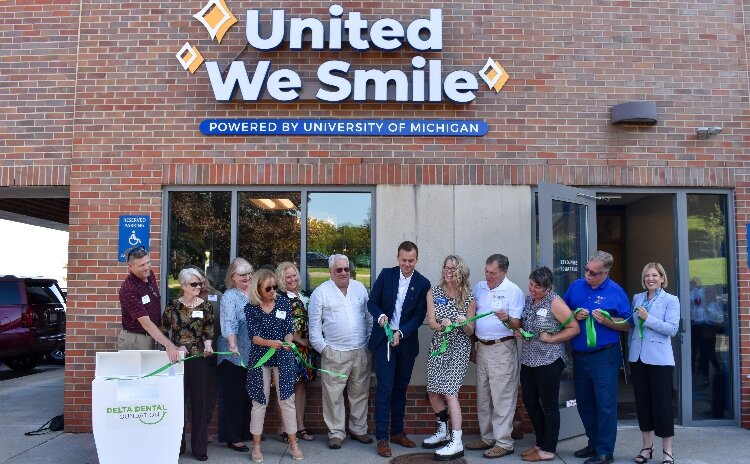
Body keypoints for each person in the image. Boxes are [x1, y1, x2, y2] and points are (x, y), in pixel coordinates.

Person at [564, 251, 630, 464]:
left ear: (605, 273)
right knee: (584, 403)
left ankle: (605, 451)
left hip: (605, 356)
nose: (588, 275)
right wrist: (573, 315)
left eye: (594, 273)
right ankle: (593, 443)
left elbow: (628, 324)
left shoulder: (615, 291)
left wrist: (608, 321)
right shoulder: (576, 287)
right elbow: (562, 313)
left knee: (605, 404)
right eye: (586, 270)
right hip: (580, 355)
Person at [368, 241, 431, 458]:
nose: (407, 264)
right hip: (384, 342)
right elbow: (372, 303)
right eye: (403, 260)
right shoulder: (387, 275)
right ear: (398, 258)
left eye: (411, 261)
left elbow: (419, 316)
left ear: (417, 259)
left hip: (405, 343)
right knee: (385, 389)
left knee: (400, 389)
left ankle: (397, 432)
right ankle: (382, 438)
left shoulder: (423, 283)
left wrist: (401, 332)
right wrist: (380, 316)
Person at [309, 254, 373, 450]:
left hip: (361, 350)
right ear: (331, 272)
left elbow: (369, 317)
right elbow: (314, 328)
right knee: (333, 395)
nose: (344, 273)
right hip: (334, 352)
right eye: (339, 270)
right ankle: (336, 433)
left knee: (360, 392)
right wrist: (325, 350)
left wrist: (368, 343)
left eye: (347, 269)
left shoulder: (359, 288)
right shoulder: (320, 293)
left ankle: (359, 429)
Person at [464, 253, 525, 459]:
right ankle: (487, 437)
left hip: (502, 348)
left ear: (504, 272)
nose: (489, 276)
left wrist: (507, 319)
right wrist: (473, 347)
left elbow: (517, 325)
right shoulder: (480, 287)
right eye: (486, 272)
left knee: (502, 398)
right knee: (484, 397)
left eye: (493, 273)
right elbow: (473, 318)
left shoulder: (513, 291)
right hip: (482, 347)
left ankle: (504, 442)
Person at [517, 267, 580, 462]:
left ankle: (548, 449)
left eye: (538, 287)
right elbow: (523, 323)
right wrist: (518, 330)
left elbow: (574, 328)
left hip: (549, 359)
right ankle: (540, 442)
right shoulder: (528, 300)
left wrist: (552, 338)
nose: (533, 289)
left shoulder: (555, 302)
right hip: (529, 359)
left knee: (549, 405)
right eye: (531, 284)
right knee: (529, 400)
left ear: (548, 287)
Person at [245, 268, 303, 462]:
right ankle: (256, 446)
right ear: (258, 289)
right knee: (259, 402)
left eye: (275, 287)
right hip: (261, 358)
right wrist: (273, 343)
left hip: (283, 358)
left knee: (287, 401)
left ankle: (293, 444)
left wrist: (287, 342)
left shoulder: (284, 303)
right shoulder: (251, 307)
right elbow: (254, 337)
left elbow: (288, 329)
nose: (272, 291)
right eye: (268, 288)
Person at [423, 255, 476, 460]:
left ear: (460, 271)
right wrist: (442, 323)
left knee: (449, 391)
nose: (448, 271)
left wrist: (464, 322)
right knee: (433, 391)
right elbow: (432, 322)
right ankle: (443, 430)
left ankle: (456, 441)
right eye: (446, 267)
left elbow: (471, 331)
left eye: (453, 268)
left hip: (459, 348)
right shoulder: (434, 292)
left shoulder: (469, 297)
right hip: (439, 346)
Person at [160, 268, 214, 461]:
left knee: (199, 403)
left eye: (200, 283)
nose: (198, 287)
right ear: (183, 286)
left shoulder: (205, 306)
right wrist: (174, 347)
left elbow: (208, 331)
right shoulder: (173, 306)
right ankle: (178, 444)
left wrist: (208, 344)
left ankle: (199, 448)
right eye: (193, 284)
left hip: (199, 360)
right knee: (177, 403)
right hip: (177, 360)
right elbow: (164, 331)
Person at [628, 263, 679, 464]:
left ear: (662, 278)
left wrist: (648, 318)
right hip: (638, 358)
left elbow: (672, 329)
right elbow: (632, 327)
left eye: (655, 275)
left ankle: (667, 451)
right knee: (643, 404)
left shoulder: (671, 300)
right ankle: (646, 447)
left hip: (660, 360)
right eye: (647, 275)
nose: (651, 278)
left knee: (663, 405)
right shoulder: (637, 298)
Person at [117, 246, 181, 363]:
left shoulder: (149, 275)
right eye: (141, 265)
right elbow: (145, 322)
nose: (146, 267)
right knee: (136, 378)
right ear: (130, 267)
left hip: (151, 335)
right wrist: (168, 344)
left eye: (148, 262)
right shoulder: (129, 289)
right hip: (136, 339)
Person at [216, 258, 253, 453]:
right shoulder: (230, 297)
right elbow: (229, 322)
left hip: (252, 355)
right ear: (232, 277)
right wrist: (232, 344)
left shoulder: (254, 293)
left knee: (247, 395)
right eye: (242, 274)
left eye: (249, 273)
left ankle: (245, 432)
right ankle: (232, 437)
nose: (247, 277)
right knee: (233, 397)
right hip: (233, 354)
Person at [276, 261, 316, 443]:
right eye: (288, 277)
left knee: (301, 387)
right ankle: (284, 428)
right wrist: (301, 341)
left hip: (306, 351)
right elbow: (280, 326)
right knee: (285, 389)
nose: (292, 279)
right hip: (288, 349)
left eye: (294, 275)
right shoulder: (279, 298)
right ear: (281, 279)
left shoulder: (305, 295)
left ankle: (300, 426)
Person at [192, 266, 222, 440]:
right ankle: (198, 432)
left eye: (201, 278)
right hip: (195, 355)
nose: (200, 283)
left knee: (210, 393)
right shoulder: (187, 300)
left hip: (215, 352)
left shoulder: (217, 296)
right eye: (195, 280)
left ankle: (204, 429)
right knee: (195, 395)